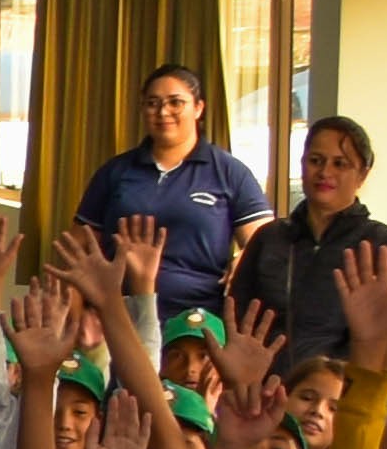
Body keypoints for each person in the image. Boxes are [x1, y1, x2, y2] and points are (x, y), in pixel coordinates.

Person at [69, 63, 264, 307]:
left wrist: (244, 258)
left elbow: (264, 243)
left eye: (175, 102)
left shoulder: (229, 172)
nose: (163, 112)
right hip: (116, 310)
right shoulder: (115, 172)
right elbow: (76, 250)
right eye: (153, 103)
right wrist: (77, 313)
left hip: (196, 315)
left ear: (198, 108)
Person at [228, 113, 387, 373]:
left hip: (343, 388)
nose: (325, 173)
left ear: (362, 174)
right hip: (265, 386)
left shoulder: (381, 244)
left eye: (340, 164)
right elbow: (235, 316)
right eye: (316, 161)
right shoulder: (269, 238)